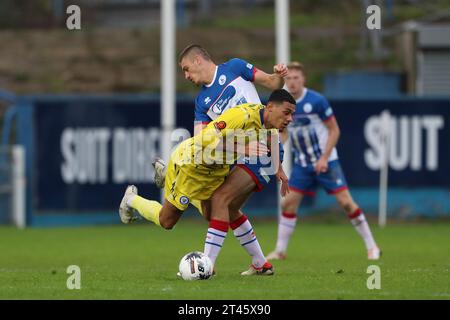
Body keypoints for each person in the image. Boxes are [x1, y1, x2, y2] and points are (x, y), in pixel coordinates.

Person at [119, 89, 296, 276]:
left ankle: (253, 263)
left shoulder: (269, 122)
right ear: (269, 107)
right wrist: (243, 147)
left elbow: (272, 138)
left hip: (215, 171)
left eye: (292, 113)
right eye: (287, 112)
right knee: (167, 220)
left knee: (222, 208)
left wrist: (279, 169)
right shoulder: (242, 116)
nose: (290, 118)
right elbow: (204, 140)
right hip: (190, 169)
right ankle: (132, 198)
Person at [152, 44, 290, 274]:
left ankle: (206, 264)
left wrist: (280, 75)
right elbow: (202, 141)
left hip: (262, 148)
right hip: (239, 154)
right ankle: (260, 264)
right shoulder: (201, 103)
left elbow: (273, 84)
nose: (186, 76)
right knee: (223, 208)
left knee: (221, 199)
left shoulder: (235, 67)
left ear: (198, 60)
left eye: (186, 69)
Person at [266, 62, 381, 261]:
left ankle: (372, 246)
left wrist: (324, 158)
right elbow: (283, 134)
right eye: (289, 78)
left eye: (296, 78)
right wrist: (274, 147)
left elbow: (334, 130)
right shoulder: (284, 104)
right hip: (303, 164)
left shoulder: (317, 101)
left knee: (346, 203)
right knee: (288, 204)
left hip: (326, 162)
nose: (292, 82)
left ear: (303, 79)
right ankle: (280, 250)